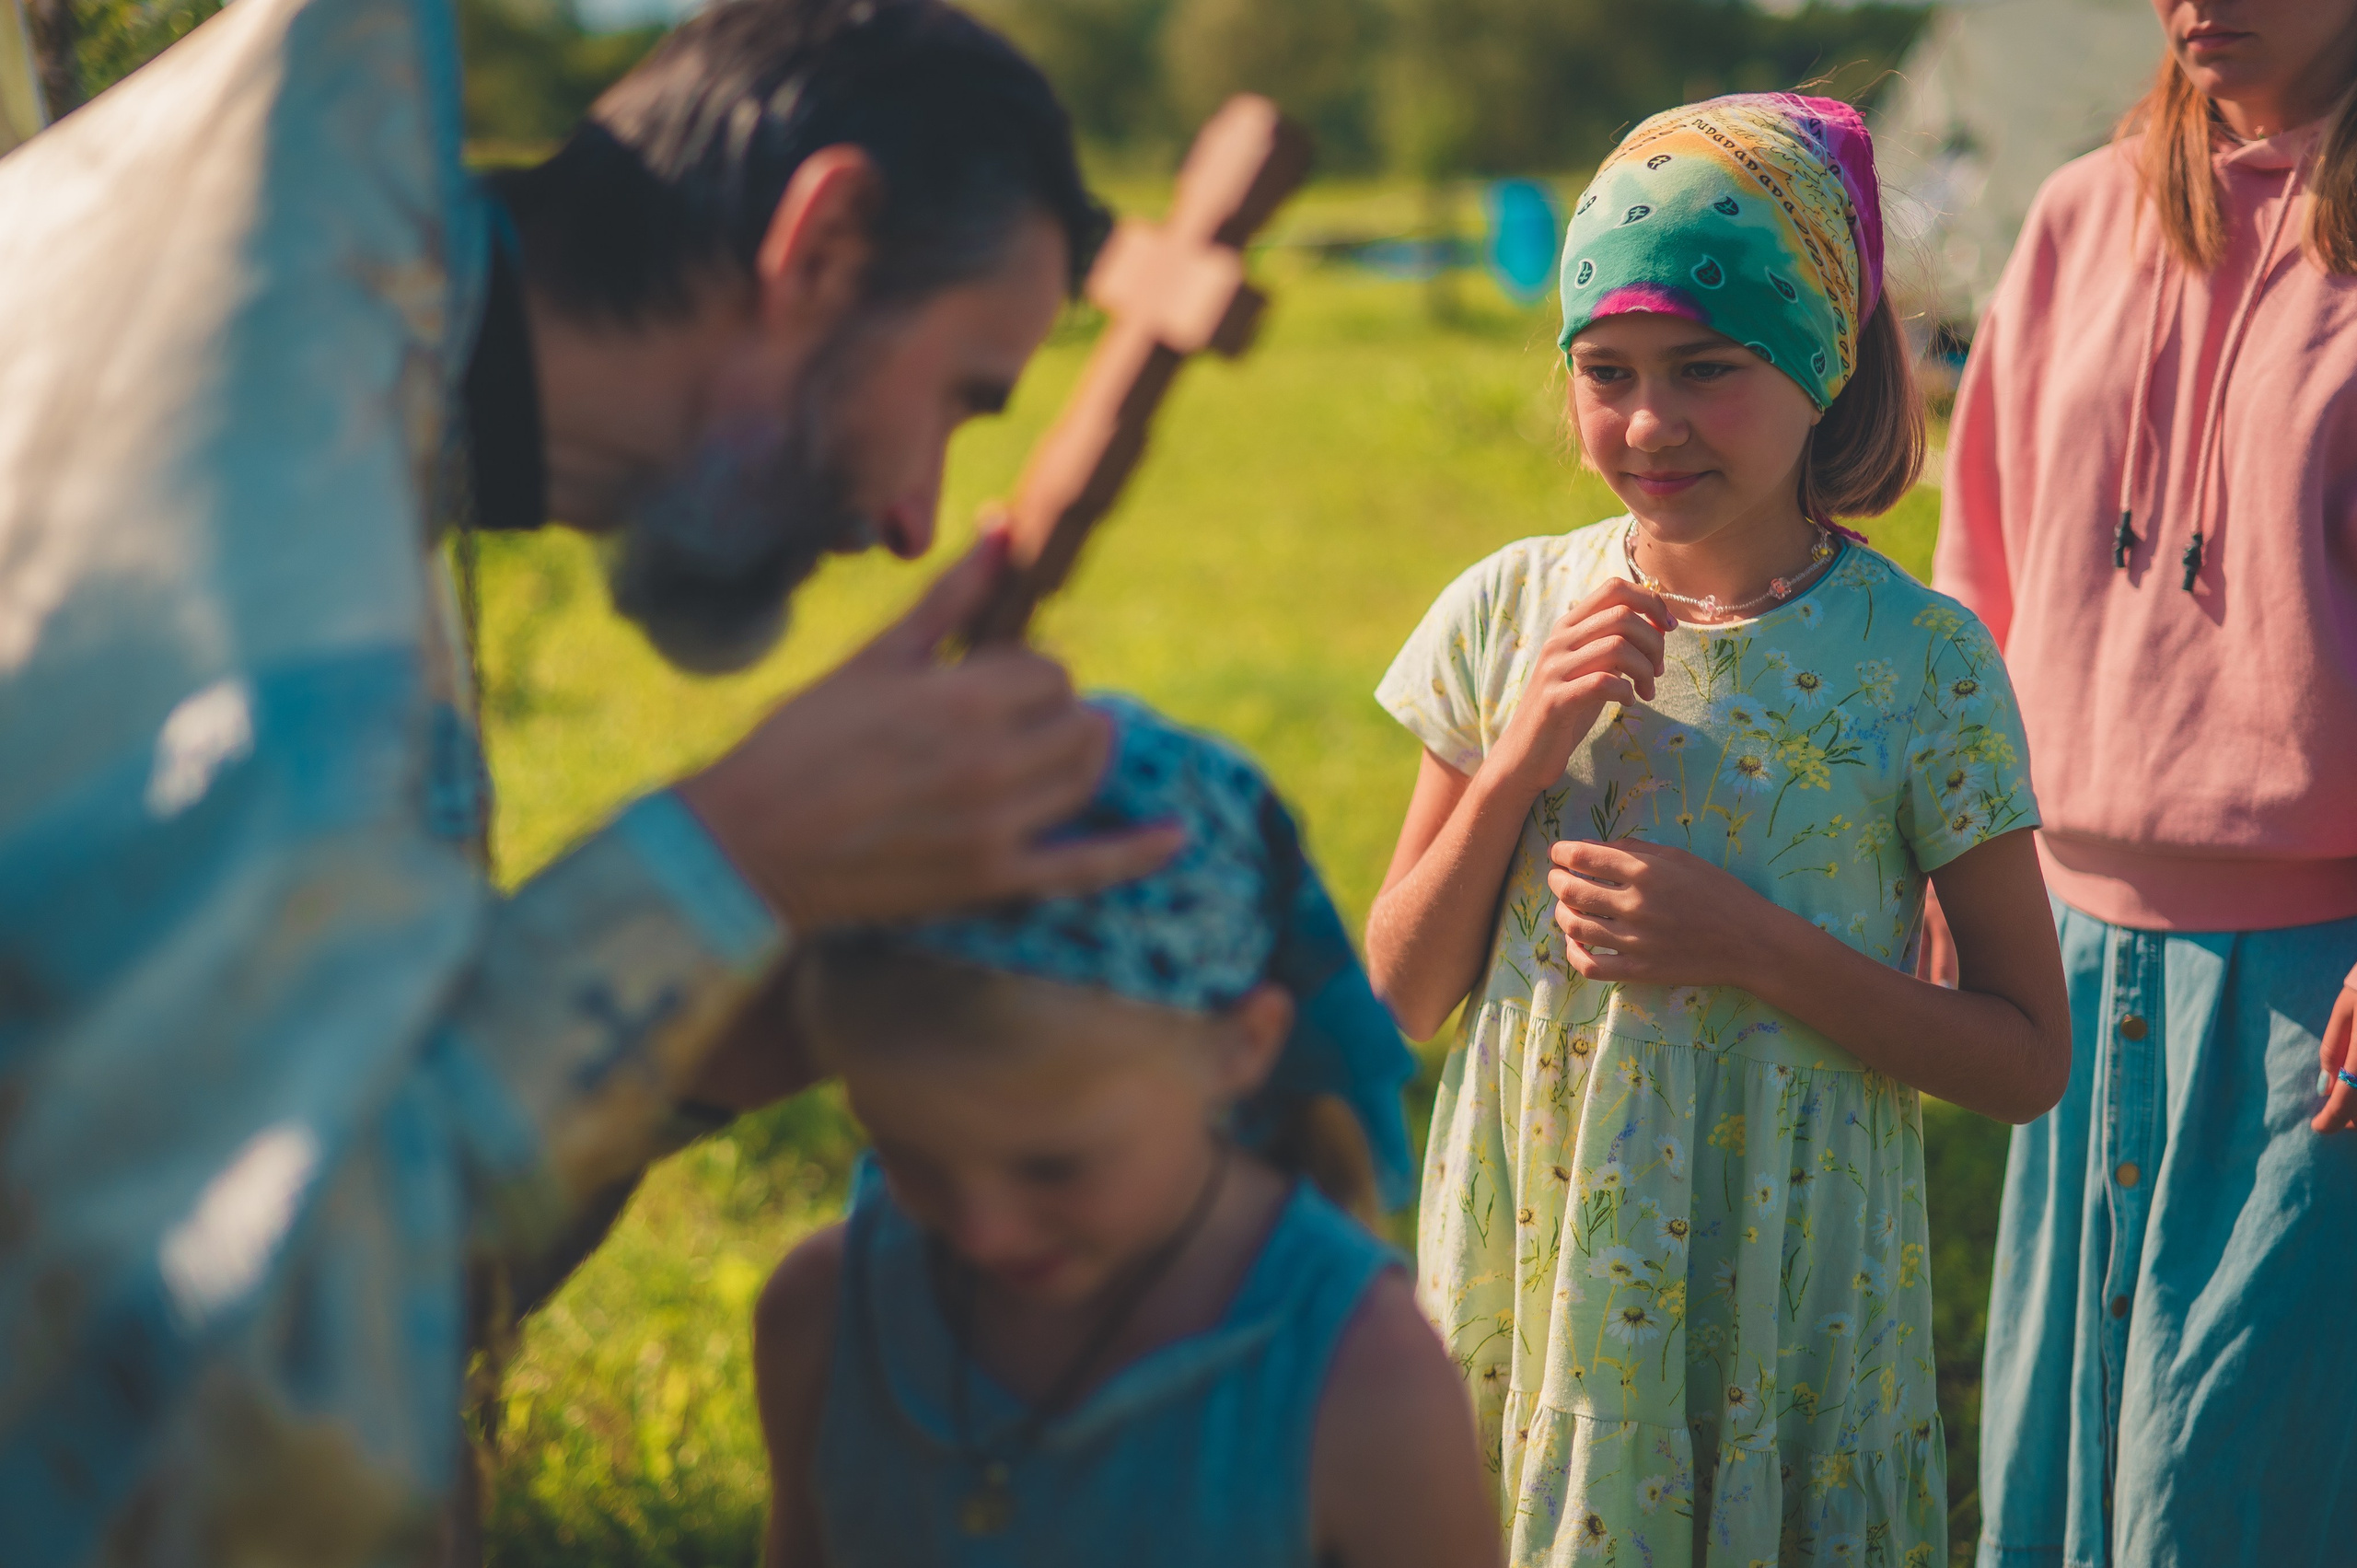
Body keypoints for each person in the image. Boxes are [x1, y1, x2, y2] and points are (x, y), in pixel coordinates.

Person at [0, 0, 1180, 1560]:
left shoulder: (301, 358)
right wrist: (729, 857)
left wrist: (699, 1040)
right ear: (823, 243)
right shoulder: (264, 551)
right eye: (961, 394)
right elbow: (215, 1414)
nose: (914, 518)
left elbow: (337, 1224)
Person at [1364, 95, 2073, 1566]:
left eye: (1706, 368)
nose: (1648, 422)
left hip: (1790, 1315)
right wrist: (1519, 757)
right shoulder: (1506, 612)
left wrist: (1750, 944)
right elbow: (1401, 995)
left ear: (1816, 364)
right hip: (1539, 1301)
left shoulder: (1920, 662)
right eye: (1606, 370)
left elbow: (2022, 1059)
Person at [1932, 2, 2357, 1562]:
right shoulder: (2075, 219)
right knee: (2054, 1480)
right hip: (2061, 946)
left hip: (2316, 988)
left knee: (2226, 1495)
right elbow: (1978, 565)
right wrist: (1950, 850)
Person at [751, 697, 1490, 1568]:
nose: (983, 1230)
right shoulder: (827, 1314)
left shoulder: (1365, 1380)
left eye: (1052, 1166)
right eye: (908, 1154)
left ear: (1242, 1044)